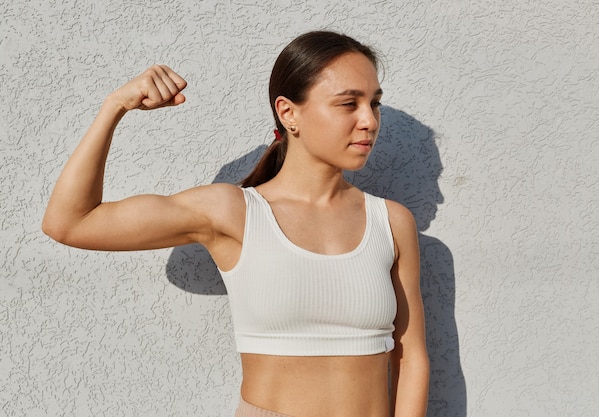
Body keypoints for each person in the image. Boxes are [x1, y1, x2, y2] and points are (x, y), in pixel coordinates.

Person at [42, 31, 429, 417]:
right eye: (349, 103)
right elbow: (71, 222)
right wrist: (114, 107)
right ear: (288, 112)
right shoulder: (234, 212)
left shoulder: (391, 222)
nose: (369, 121)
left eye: (374, 104)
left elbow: (410, 358)